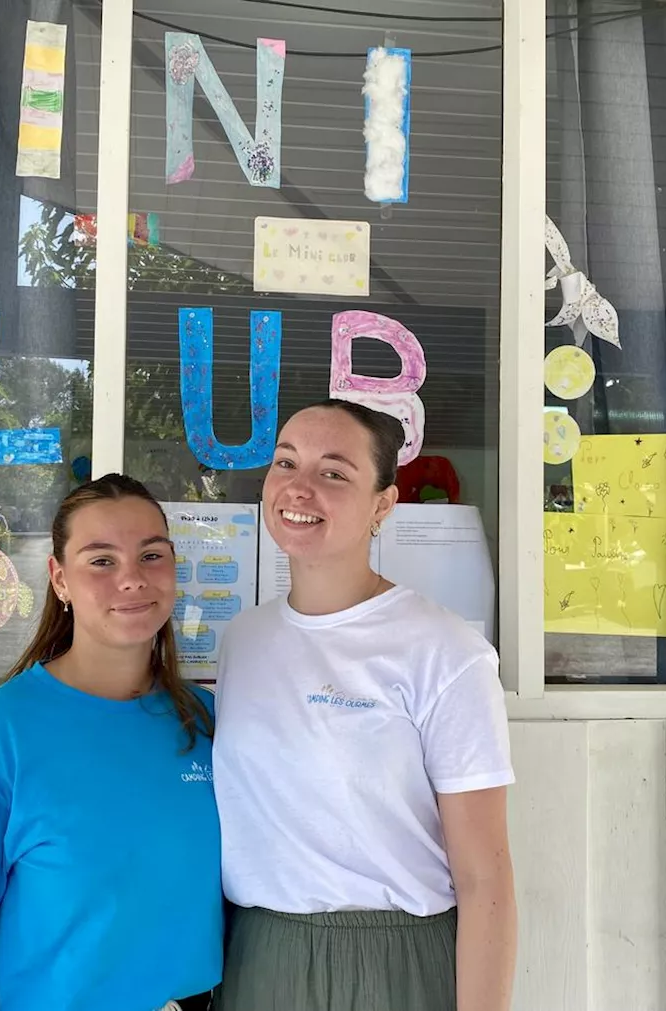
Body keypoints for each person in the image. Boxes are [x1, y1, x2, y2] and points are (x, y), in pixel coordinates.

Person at [213, 401, 518, 1011]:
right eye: (285, 462)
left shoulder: (446, 652)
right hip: (256, 955)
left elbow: (487, 881)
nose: (299, 487)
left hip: (395, 961)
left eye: (334, 472)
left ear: (384, 503)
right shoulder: (242, 641)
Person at [0, 474, 222, 1011]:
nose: (132, 579)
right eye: (101, 560)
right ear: (59, 578)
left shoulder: (207, 721)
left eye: (152, 555)